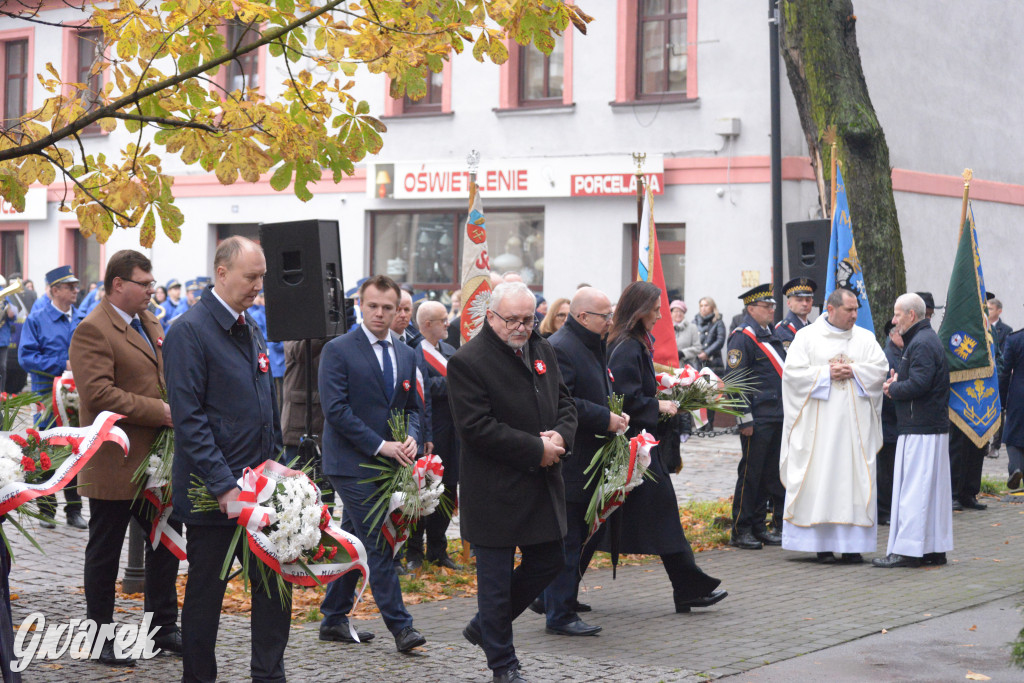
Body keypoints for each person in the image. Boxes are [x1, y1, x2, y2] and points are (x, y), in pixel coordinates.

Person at [165, 236, 290, 681]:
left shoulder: (250, 325)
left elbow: (265, 404)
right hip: (213, 495)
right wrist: (224, 486)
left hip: (260, 491)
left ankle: (269, 674)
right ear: (222, 273)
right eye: (251, 276)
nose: (259, 285)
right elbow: (190, 418)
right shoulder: (188, 331)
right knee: (205, 596)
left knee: (275, 590)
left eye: (262, 277)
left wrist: (277, 473)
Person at [448, 281, 577, 683]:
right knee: (495, 584)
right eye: (513, 320)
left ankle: (487, 625)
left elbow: (566, 403)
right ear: (490, 316)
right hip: (495, 491)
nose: (523, 327)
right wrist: (533, 449)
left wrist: (561, 435)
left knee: (551, 560)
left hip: (540, 484)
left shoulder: (542, 348)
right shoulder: (468, 361)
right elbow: (475, 428)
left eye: (529, 319)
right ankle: (503, 665)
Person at [69, 250, 182, 666]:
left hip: (158, 459)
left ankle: (162, 627)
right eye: (144, 283)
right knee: (106, 549)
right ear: (119, 284)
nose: (152, 290)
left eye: (152, 283)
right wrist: (162, 411)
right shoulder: (93, 329)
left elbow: (161, 374)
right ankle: (99, 635)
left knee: (165, 544)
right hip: (116, 462)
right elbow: (97, 394)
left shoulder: (149, 321)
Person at [600, 282, 726, 611]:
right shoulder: (628, 345)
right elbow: (623, 397)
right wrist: (659, 406)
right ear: (640, 310)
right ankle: (553, 593)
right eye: (656, 309)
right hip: (634, 447)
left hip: (640, 445)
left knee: (608, 521)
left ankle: (689, 585)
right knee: (621, 519)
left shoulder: (634, 341)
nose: (660, 315)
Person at [317, 274, 426, 653]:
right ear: (360, 307)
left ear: (399, 311)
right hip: (350, 462)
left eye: (388, 307)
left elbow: (412, 407)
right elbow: (336, 410)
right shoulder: (338, 349)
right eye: (373, 306)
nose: (380, 313)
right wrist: (381, 445)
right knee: (378, 541)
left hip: (390, 462)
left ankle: (333, 616)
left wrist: (412, 435)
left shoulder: (408, 353)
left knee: (358, 539)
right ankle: (402, 628)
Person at [538, 286, 627, 636]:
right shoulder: (562, 347)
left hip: (591, 458)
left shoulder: (591, 342)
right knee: (569, 539)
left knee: (578, 537)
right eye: (605, 315)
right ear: (582, 316)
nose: (610, 321)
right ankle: (559, 614)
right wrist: (604, 417)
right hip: (573, 460)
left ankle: (556, 602)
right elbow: (564, 402)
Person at [779, 288, 888, 564]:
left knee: (851, 483)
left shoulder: (864, 338)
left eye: (856, 310)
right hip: (819, 429)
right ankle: (821, 546)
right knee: (820, 479)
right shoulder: (806, 338)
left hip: (854, 430)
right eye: (849, 310)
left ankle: (852, 547)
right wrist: (825, 373)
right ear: (830, 309)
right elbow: (791, 375)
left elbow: (880, 369)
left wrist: (855, 370)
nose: (855, 315)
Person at [874, 293, 953, 569]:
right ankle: (932, 548)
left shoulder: (920, 343)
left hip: (920, 428)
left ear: (911, 315)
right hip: (927, 426)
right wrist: (900, 381)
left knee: (914, 491)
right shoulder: (924, 340)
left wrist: (892, 388)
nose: (893, 321)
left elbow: (920, 384)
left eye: (897, 315)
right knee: (930, 492)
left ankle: (907, 551)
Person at [19, 265, 86, 529]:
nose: (75, 290)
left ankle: (74, 510)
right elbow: (27, 357)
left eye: (75, 286)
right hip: (47, 397)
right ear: (54, 290)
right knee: (47, 449)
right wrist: (61, 366)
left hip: (77, 397)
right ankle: (47, 509)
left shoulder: (81, 318)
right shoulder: (37, 320)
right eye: (70, 287)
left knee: (75, 450)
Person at [725, 283, 787, 550]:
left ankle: (759, 527)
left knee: (767, 474)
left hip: (775, 414)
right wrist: (744, 419)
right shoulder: (742, 337)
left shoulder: (769, 334)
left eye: (773, 305)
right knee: (750, 474)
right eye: (767, 306)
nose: (772, 309)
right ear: (751, 308)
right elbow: (734, 381)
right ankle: (741, 528)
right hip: (757, 417)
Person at [406, 301, 461, 570]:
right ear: (427, 324)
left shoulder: (450, 351)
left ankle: (438, 549)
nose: (448, 322)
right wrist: (454, 383)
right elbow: (422, 387)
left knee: (448, 491)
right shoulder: (413, 352)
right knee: (421, 493)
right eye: (442, 319)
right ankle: (414, 550)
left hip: (453, 434)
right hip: (428, 433)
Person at [877, 320, 905, 526]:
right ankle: (884, 510)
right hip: (889, 423)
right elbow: (886, 394)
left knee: (894, 470)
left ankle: (890, 509)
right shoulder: (888, 357)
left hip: (896, 425)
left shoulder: (901, 353)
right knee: (886, 472)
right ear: (893, 334)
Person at [1000, 327, 1024, 491]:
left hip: (1019, 393)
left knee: (1012, 433)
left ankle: (1015, 468)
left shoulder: (1015, 339)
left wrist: (1001, 400)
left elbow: (1004, 372)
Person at [987, 293, 1011, 455]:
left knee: (998, 410)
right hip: (985, 376)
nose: (988, 311)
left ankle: (995, 445)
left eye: (991, 309)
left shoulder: (1006, 330)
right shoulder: (981, 326)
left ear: (999, 311)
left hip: (999, 377)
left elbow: (1003, 355)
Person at [774, 277, 817, 350]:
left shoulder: (812, 327)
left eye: (808, 300)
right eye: (799, 300)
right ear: (789, 303)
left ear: (812, 302)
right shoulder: (783, 329)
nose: (805, 304)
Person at [0, 277, 20, 392]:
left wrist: (11, 313)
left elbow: (13, 316)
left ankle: (1, 392)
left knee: (2, 367)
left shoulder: (5, 295)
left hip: (2, 338)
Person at [670, 300, 701, 365]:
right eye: (676, 311)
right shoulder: (667, 328)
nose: (678, 314)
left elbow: (698, 348)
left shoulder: (692, 327)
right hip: (669, 366)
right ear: (671, 313)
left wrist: (683, 353)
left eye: (681, 311)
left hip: (687, 367)